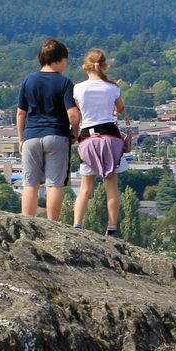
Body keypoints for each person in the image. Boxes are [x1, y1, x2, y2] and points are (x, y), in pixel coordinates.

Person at [16, 38, 80, 221]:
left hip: (31, 136)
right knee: (54, 184)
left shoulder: (28, 80)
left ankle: (27, 221)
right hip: (56, 136)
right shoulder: (64, 83)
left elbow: (21, 113)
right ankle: (53, 224)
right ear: (60, 60)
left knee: (30, 184)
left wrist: (21, 138)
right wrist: (74, 133)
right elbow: (73, 115)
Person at [71, 49, 128, 237]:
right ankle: (112, 228)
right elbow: (120, 109)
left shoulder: (78, 88)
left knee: (85, 187)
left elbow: (78, 109)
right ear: (104, 66)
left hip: (88, 138)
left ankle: (77, 225)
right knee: (111, 186)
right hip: (110, 137)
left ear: (84, 67)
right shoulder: (112, 88)